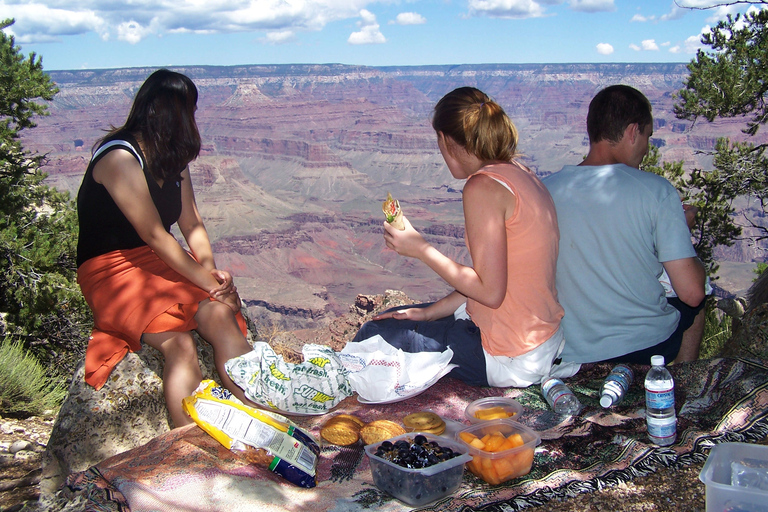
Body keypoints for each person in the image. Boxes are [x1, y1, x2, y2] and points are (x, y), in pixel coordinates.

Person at [351, 86, 576, 388]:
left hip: (506, 357)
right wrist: (430, 313)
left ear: (444, 139)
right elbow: (503, 281)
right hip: (541, 345)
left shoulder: (482, 188)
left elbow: (490, 292)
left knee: (372, 335)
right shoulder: (520, 173)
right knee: (397, 317)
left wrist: (420, 248)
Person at [76, 69, 255, 427]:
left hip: (159, 260)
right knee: (180, 344)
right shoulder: (120, 159)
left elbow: (191, 224)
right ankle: (186, 442)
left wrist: (214, 276)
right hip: (112, 269)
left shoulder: (174, 159)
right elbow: (155, 234)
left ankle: (261, 408)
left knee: (219, 314)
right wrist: (207, 284)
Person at [542, 84, 707, 366]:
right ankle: (681, 382)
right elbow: (691, 294)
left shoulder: (542, 191)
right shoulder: (657, 190)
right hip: (648, 346)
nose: (646, 148)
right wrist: (682, 231)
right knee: (702, 292)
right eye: (648, 136)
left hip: (567, 349)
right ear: (633, 132)